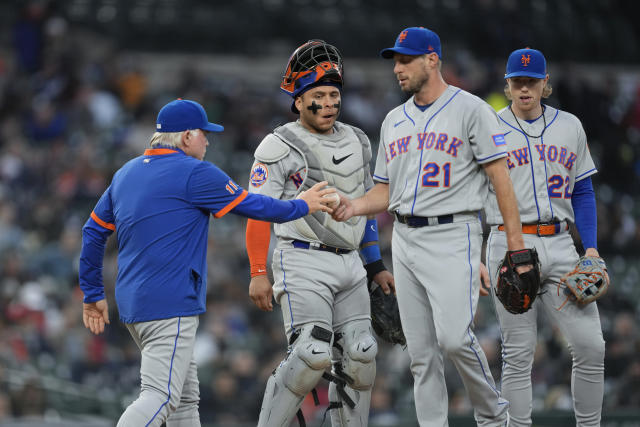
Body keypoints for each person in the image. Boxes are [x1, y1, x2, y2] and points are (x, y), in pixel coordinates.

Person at [78, 98, 336, 427]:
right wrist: (302, 205)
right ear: (186, 136)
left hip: (134, 302)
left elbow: (93, 232)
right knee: (160, 397)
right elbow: (254, 206)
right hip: (169, 302)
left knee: (184, 402)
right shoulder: (193, 172)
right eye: (203, 133)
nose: (208, 140)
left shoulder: (126, 173)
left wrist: (92, 293)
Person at [332, 27, 532, 426]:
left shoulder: (471, 109)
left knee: (456, 340)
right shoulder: (394, 120)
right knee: (421, 356)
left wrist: (516, 245)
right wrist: (353, 205)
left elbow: (501, 179)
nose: (398, 69)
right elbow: (384, 192)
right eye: (395, 61)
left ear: (432, 59)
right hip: (404, 238)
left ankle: (496, 417)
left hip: (453, 232)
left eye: (406, 59)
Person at [245, 40, 394, 427]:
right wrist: (258, 272)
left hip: (350, 263)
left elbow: (366, 208)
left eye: (333, 94)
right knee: (311, 354)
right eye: (318, 95)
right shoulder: (278, 144)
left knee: (362, 355)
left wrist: (375, 263)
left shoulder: (359, 139)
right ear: (297, 100)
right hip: (301, 256)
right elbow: (256, 210)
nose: (328, 102)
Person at [484, 48, 605, 426]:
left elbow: (582, 192)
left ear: (544, 84)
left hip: (561, 243)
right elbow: (471, 198)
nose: (524, 88)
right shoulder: (488, 128)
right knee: (519, 353)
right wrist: (475, 257)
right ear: (507, 85)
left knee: (591, 346)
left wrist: (592, 248)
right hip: (508, 242)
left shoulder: (570, 126)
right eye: (517, 82)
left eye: (531, 81)